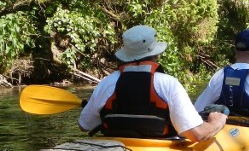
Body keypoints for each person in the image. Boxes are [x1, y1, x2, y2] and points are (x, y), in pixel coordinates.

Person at [78, 25, 227, 142]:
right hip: (158, 150)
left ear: (126, 55)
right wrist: (217, 122)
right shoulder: (168, 84)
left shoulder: (107, 83)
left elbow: (84, 126)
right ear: (155, 54)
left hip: (114, 149)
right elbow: (197, 134)